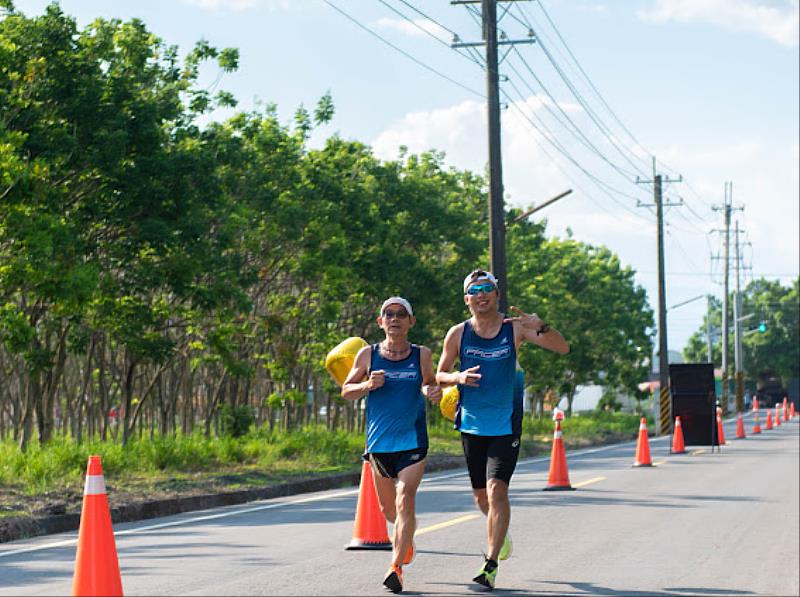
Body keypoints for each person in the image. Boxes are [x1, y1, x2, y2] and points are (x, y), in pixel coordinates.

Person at [436, 269, 569, 590]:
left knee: (497, 490)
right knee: (481, 497)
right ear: (467, 299)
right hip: (470, 422)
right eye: (474, 290)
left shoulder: (515, 329)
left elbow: (562, 348)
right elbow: (439, 375)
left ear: (496, 294)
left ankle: (490, 565)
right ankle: (501, 533)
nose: (481, 295)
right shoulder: (457, 334)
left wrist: (542, 327)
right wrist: (458, 378)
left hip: (506, 422)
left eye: (487, 289)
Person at [342, 296, 442, 594]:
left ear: (411, 321)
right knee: (389, 511)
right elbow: (347, 391)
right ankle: (405, 537)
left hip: (412, 440)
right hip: (379, 443)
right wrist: (367, 385)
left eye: (401, 314)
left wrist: (431, 392)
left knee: (404, 497)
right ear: (380, 322)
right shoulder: (367, 355)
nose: (395, 318)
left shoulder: (422, 354)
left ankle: (395, 567)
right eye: (389, 314)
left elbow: (430, 382)